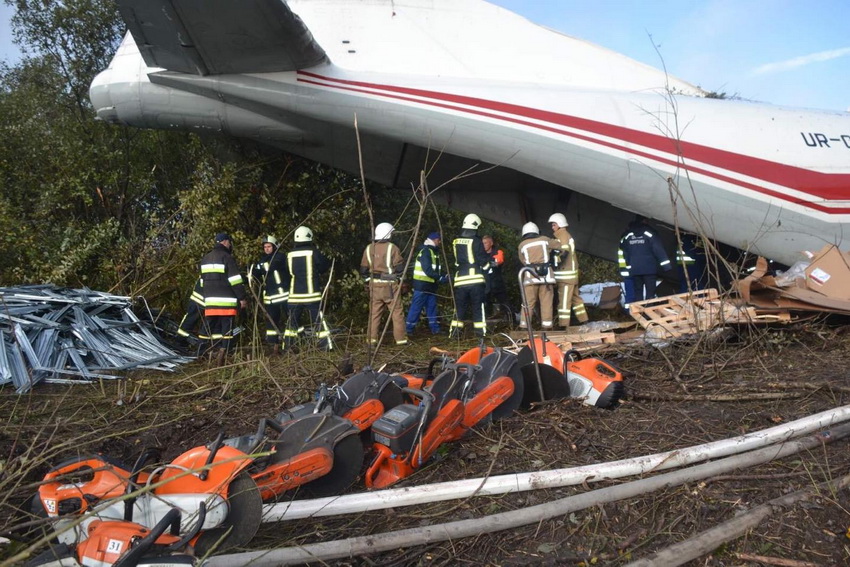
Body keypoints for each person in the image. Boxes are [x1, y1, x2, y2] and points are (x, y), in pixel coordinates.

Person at [199, 233, 247, 364]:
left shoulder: (205, 258)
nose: (230, 244)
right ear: (225, 242)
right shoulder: (227, 257)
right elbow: (235, 280)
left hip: (210, 302)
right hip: (226, 302)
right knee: (227, 329)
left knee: (208, 328)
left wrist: (206, 298)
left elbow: (202, 282)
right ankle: (225, 353)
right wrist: (242, 298)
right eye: (229, 242)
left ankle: (201, 352)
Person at [284, 226, 333, 351]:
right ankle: (325, 346)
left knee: (292, 324)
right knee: (318, 322)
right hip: (312, 295)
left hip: (294, 295)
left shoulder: (289, 255)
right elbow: (323, 266)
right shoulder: (313, 252)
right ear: (309, 237)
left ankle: (289, 347)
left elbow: (287, 272)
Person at [360, 222, 408, 346]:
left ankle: (371, 340)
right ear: (388, 234)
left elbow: (364, 270)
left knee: (374, 314)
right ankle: (401, 340)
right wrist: (403, 282)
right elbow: (399, 269)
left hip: (374, 286)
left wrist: (367, 283)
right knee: (397, 313)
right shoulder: (393, 248)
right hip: (390, 286)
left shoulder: (369, 248)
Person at [449, 213, 490, 338]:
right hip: (475, 280)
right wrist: (489, 267)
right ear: (476, 226)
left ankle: (454, 334)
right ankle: (480, 334)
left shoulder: (456, 241)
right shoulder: (476, 241)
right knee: (478, 307)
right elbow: (482, 260)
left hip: (460, 280)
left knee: (459, 308)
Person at [517, 222, 561, 330]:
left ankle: (524, 325)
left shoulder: (522, 245)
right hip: (546, 277)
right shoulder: (544, 239)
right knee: (546, 303)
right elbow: (559, 245)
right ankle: (547, 326)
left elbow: (522, 260)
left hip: (530, 277)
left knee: (528, 303)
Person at [250, 235, 290, 353]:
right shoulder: (262, 260)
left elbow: (271, 266)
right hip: (270, 298)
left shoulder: (280, 257)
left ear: (275, 246)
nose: (266, 249)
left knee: (291, 318)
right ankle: (273, 345)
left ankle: (293, 342)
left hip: (283, 296)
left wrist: (259, 267)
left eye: (269, 246)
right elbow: (255, 274)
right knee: (271, 322)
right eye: (265, 247)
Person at [620, 216, 672, 302]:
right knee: (650, 293)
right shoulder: (650, 233)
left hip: (635, 269)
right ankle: (649, 312)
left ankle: (639, 313)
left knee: (638, 293)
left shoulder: (628, 235)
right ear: (645, 221)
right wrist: (667, 267)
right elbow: (658, 249)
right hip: (649, 269)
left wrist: (628, 266)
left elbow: (624, 252)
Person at [548, 213, 588, 328]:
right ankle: (584, 320)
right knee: (576, 299)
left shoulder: (562, 235)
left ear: (560, 225)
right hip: (571, 275)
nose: (552, 227)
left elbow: (564, 252)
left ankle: (563, 325)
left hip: (565, 277)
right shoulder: (565, 235)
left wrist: (555, 261)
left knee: (564, 302)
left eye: (554, 224)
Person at [406, 232, 447, 335]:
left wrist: (443, 275)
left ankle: (435, 329)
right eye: (438, 240)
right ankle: (408, 330)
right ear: (433, 240)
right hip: (422, 286)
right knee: (416, 308)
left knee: (432, 308)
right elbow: (427, 270)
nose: (440, 242)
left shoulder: (433, 251)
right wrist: (440, 278)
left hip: (430, 286)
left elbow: (435, 269)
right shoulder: (426, 251)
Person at [482, 235, 511, 323]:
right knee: (485, 302)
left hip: (496, 282)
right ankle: (486, 320)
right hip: (485, 282)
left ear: (491, 243)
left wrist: (489, 263)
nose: (484, 245)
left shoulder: (497, 252)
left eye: (486, 243)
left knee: (504, 301)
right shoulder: (480, 253)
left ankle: (511, 319)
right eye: (483, 243)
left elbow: (498, 261)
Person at [176, 277, 205, 344]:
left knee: (190, 320)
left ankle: (180, 340)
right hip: (200, 300)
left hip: (198, 299)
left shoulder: (205, 268)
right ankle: (180, 340)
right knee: (190, 321)